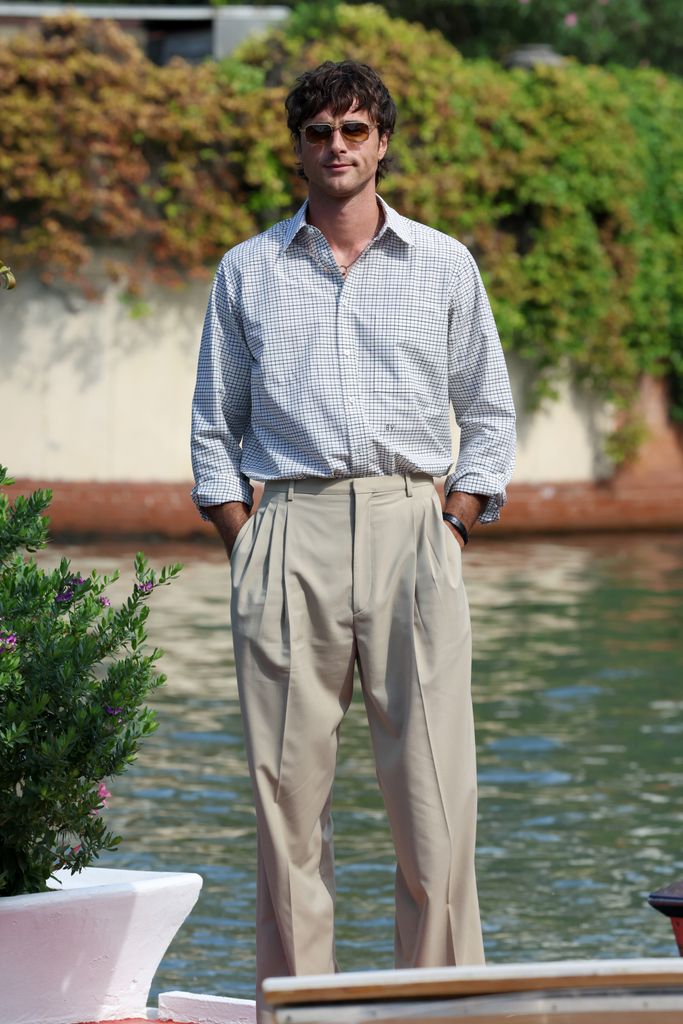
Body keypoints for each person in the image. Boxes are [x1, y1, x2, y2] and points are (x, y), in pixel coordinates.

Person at [191, 59, 515, 1019]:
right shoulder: (247, 270)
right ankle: (302, 1012)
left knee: (434, 803)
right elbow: (216, 427)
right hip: (286, 529)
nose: (338, 146)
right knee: (288, 814)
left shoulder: (445, 265)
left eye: (355, 129)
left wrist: (452, 526)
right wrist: (246, 541)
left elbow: (487, 413)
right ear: (297, 148)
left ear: (381, 143)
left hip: (414, 527)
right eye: (319, 131)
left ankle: (440, 1009)